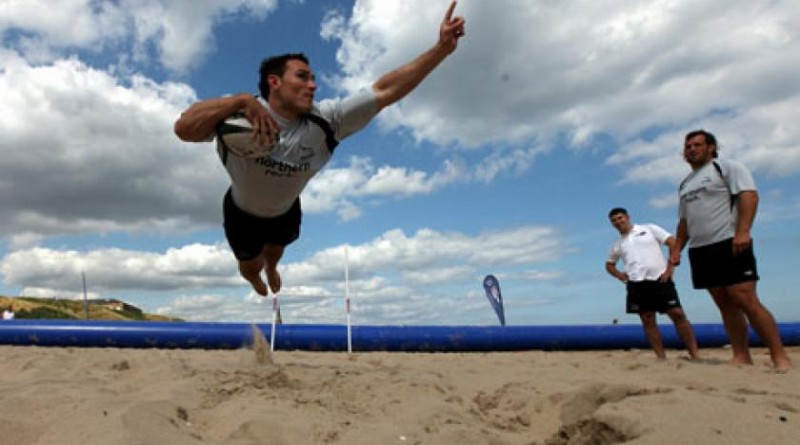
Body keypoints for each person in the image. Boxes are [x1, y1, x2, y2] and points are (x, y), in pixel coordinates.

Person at [174, 2, 466, 296]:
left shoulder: (327, 119)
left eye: (313, 78)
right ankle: (255, 277)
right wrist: (238, 100)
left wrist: (440, 49)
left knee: (276, 250)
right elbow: (184, 129)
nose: (313, 85)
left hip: (286, 209)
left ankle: (273, 267)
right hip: (241, 211)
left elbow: (385, 90)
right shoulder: (238, 117)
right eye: (303, 76)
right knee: (249, 264)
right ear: (274, 82)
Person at [671, 129, 792, 370]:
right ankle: (741, 355)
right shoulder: (685, 184)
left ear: (711, 148)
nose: (691, 150)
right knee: (724, 303)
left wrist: (743, 231)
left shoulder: (726, 167)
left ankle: (779, 356)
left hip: (729, 241)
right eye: (688, 147)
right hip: (701, 249)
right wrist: (677, 249)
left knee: (744, 297)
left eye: (696, 145)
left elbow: (749, 196)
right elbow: (684, 222)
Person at [606, 208, 700, 360]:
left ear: (627, 217)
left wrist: (670, 268)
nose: (618, 222)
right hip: (636, 284)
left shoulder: (649, 229)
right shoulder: (617, 244)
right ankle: (661, 357)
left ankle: (695, 354)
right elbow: (609, 265)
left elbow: (672, 242)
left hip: (660, 279)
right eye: (614, 220)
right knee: (648, 320)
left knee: (677, 314)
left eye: (620, 218)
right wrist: (620, 276)